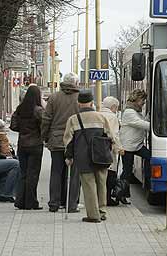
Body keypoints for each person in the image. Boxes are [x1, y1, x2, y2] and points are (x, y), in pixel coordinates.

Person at [64, 90, 121, 223]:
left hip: (83, 157)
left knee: (89, 185)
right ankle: (102, 211)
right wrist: (112, 149)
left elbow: (68, 141)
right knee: (101, 183)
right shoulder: (101, 118)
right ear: (92, 102)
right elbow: (110, 136)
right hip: (101, 156)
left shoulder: (73, 119)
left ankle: (93, 215)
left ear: (79, 103)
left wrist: (69, 156)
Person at [41, 73, 80, 213]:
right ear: (76, 83)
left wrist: (45, 137)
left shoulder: (54, 97)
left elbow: (46, 119)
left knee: (56, 172)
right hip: (75, 140)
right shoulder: (79, 97)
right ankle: (71, 204)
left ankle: (54, 203)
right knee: (74, 173)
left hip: (56, 139)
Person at [11, 85, 44, 210]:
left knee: (23, 173)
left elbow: (13, 126)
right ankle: (31, 202)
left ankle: (20, 201)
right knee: (33, 174)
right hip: (35, 144)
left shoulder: (20, 109)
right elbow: (44, 125)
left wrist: (23, 130)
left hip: (22, 144)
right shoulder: (38, 110)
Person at [119, 89, 150, 204]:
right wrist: (157, 126)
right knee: (127, 171)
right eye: (142, 100)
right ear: (136, 99)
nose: (144, 102)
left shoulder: (136, 111)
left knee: (150, 157)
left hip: (136, 145)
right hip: (128, 147)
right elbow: (141, 124)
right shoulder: (129, 112)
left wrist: (149, 116)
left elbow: (142, 121)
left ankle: (147, 180)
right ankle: (120, 193)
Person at [100, 96, 124, 206]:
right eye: (116, 107)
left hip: (97, 149)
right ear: (113, 106)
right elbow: (114, 135)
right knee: (110, 174)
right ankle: (107, 199)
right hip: (108, 149)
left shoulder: (98, 114)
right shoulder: (112, 117)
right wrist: (119, 148)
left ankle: (100, 198)